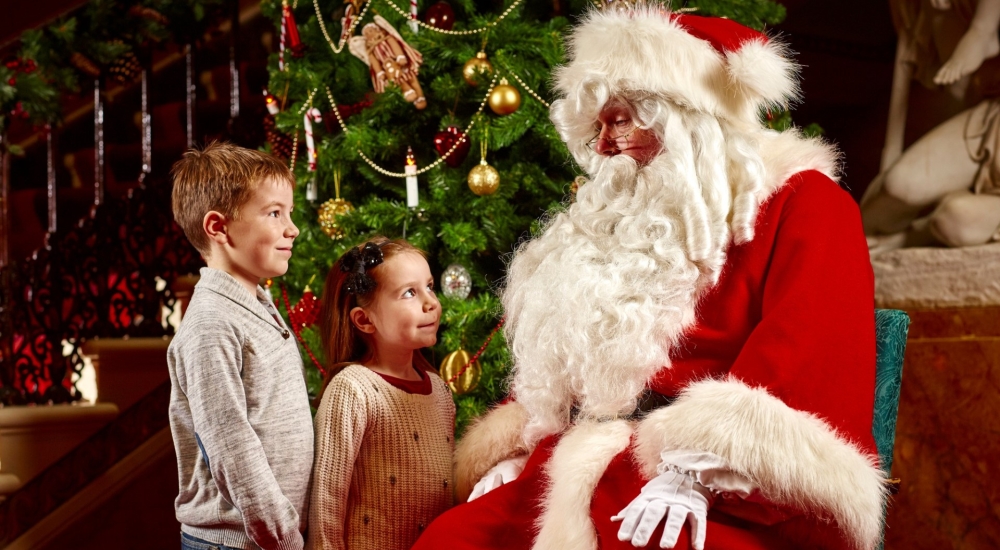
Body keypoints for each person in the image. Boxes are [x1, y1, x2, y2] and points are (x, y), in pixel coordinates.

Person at [413, 5, 888, 550]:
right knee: (450, 540)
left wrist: (699, 470)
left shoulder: (806, 205)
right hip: (581, 464)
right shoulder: (620, 215)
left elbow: (805, 371)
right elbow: (568, 363)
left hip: (732, 494)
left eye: (619, 121)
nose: (601, 146)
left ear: (686, 121)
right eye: (597, 124)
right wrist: (520, 446)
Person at [167, 142, 314, 549]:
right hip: (236, 542)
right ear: (219, 227)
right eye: (274, 213)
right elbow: (231, 448)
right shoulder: (211, 323)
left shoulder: (256, 303)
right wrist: (283, 538)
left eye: (290, 213)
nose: (292, 228)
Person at [306, 237, 455, 550]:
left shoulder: (439, 392)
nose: (431, 303)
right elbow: (326, 504)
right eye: (409, 293)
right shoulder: (353, 390)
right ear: (365, 320)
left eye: (430, 286)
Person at [863, 0, 1000, 252]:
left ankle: (911, 238)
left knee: (955, 219)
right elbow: (956, 88)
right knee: (897, 186)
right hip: (991, 119)